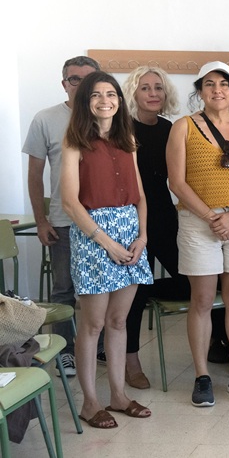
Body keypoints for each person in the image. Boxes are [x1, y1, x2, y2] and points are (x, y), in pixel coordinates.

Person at [168, 61, 229, 407]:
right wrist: (212, 217)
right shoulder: (183, 127)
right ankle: (202, 376)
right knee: (202, 300)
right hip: (199, 221)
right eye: (209, 84)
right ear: (200, 91)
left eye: (224, 84)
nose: (217, 90)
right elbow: (177, 182)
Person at [60, 70, 153, 428]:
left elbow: (140, 195)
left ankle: (118, 395)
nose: (105, 101)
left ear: (119, 100)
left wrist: (142, 237)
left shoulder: (126, 138)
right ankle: (90, 402)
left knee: (118, 321)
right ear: (86, 101)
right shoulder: (74, 141)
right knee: (93, 323)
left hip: (129, 234)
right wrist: (106, 242)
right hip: (93, 235)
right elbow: (70, 202)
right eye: (96, 95)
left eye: (111, 94)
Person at [23, 55, 101, 377]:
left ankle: (100, 347)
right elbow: (35, 175)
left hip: (104, 221)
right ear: (64, 83)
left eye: (88, 79)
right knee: (64, 290)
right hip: (64, 221)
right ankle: (65, 352)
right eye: (74, 79)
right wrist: (41, 220)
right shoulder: (46, 119)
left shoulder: (108, 114)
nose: (81, 85)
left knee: (101, 289)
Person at [120, 66, 191, 390]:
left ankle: (144, 291)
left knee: (193, 280)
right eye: (145, 87)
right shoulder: (122, 128)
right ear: (133, 93)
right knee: (134, 293)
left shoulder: (169, 128)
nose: (153, 93)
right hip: (130, 218)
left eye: (158, 87)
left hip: (163, 214)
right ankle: (131, 362)